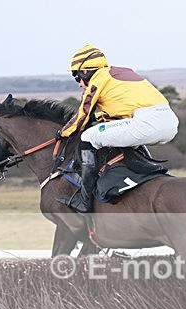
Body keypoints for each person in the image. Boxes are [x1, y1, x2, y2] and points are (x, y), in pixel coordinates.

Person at [59, 44, 179, 213]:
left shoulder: (98, 78)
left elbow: (83, 114)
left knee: (88, 137)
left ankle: (84, 201)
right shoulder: (122, 73)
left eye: (77, 77)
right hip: (169, 122)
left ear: (86, 71)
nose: (79, 84)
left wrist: (62, 133)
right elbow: (118, 113)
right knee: (121, 135)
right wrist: (99, 119)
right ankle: (147, 169)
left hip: (146, 122)